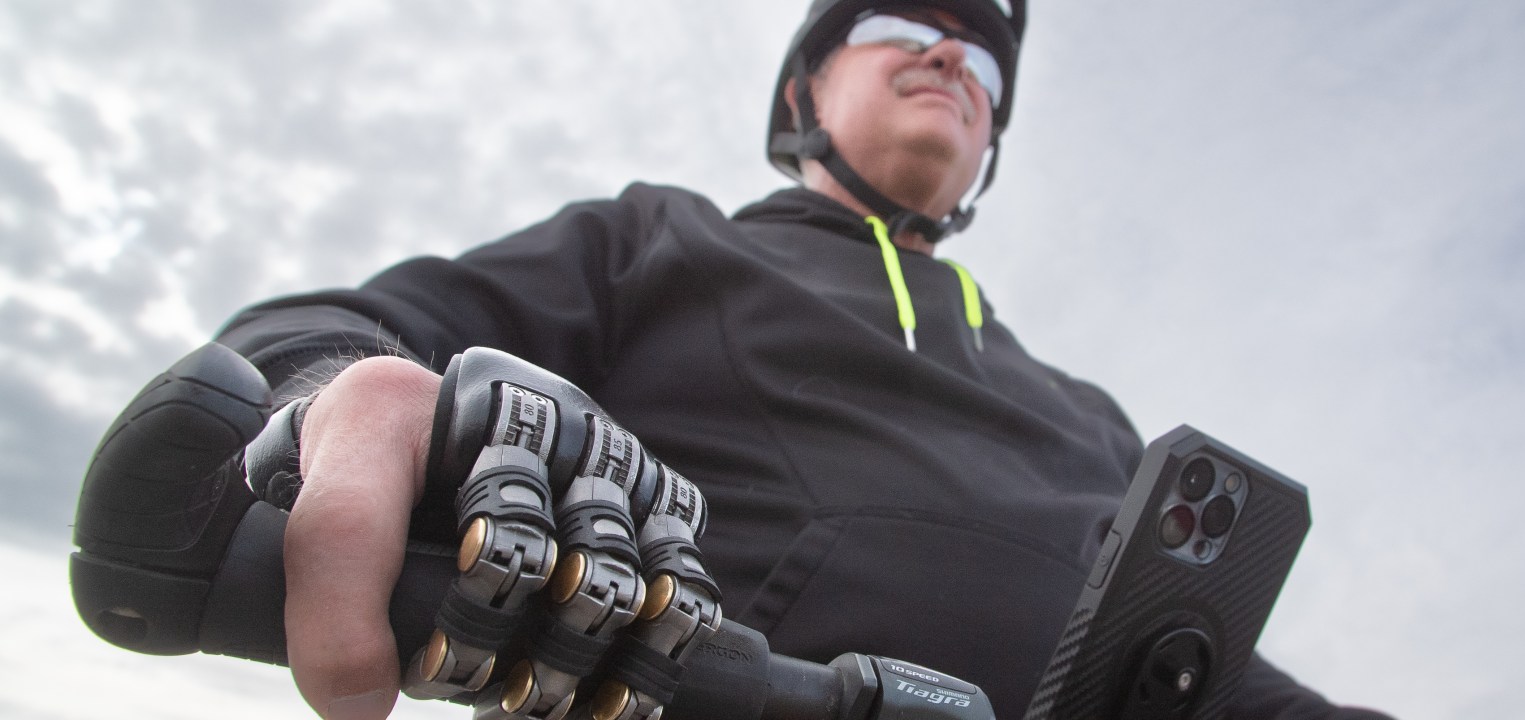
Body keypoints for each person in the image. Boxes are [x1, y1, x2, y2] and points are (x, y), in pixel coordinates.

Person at [211, 1, 1392, 718]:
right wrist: (346, 402)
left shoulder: (1093, 419)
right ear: (802, 92)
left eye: (981, 64)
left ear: (986, 144)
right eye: (901, 27)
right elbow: (317, 334)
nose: (949, 58)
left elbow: (1211, 677)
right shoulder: (657, 239)